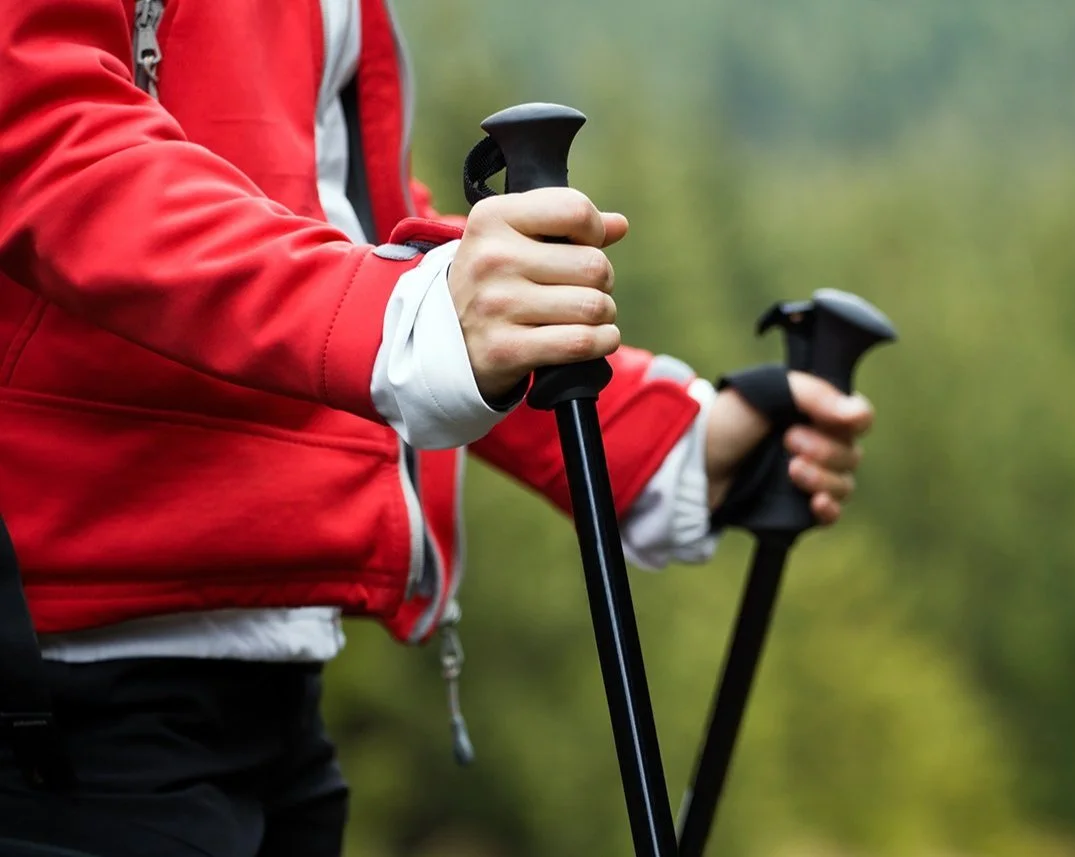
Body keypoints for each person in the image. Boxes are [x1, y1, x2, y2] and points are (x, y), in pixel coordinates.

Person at [0, 1, 876, 855]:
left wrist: (659, 445)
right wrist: (398, 314)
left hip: (264, 695)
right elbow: (43, 130)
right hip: (58, 697)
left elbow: (341, 231)